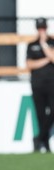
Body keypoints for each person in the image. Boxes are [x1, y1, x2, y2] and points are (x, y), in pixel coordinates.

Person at [26, 17, 54, 153]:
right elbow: (30, 64)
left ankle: (39, 138)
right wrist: (46, 59)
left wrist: (44, 45)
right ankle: (45, 143)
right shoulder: (31, 45)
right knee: (40, 115)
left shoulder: (51, 42)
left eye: (43, 28)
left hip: (52, 84)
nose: (41, 30)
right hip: (37, 84)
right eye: (39, 28)